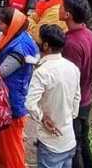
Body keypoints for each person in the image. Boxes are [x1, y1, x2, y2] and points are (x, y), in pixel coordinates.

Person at [26, 25, 81, 168]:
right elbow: (76, 101)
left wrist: (43, 118)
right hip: (69, 140)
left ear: (45, 45)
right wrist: (66, 117)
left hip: (51, 144)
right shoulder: (72, 68)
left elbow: (30, 104)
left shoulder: (42, 72)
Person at [0, 8, 40, 168]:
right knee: (3, 145)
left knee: (12, 149)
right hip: (10, 99)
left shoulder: (20, 47)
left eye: (2, 23)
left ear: (12, 25)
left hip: (13, 103)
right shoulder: (16, 35)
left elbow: (2, 71)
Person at [61, 0, 92, 168]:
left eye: (62, 6)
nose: (58, 8)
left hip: (74, 103)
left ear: (67, 14)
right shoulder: (88, 33)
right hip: (86, 98)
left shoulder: (71, 44)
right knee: (83, 141)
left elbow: (69, 80)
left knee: (73, 147)